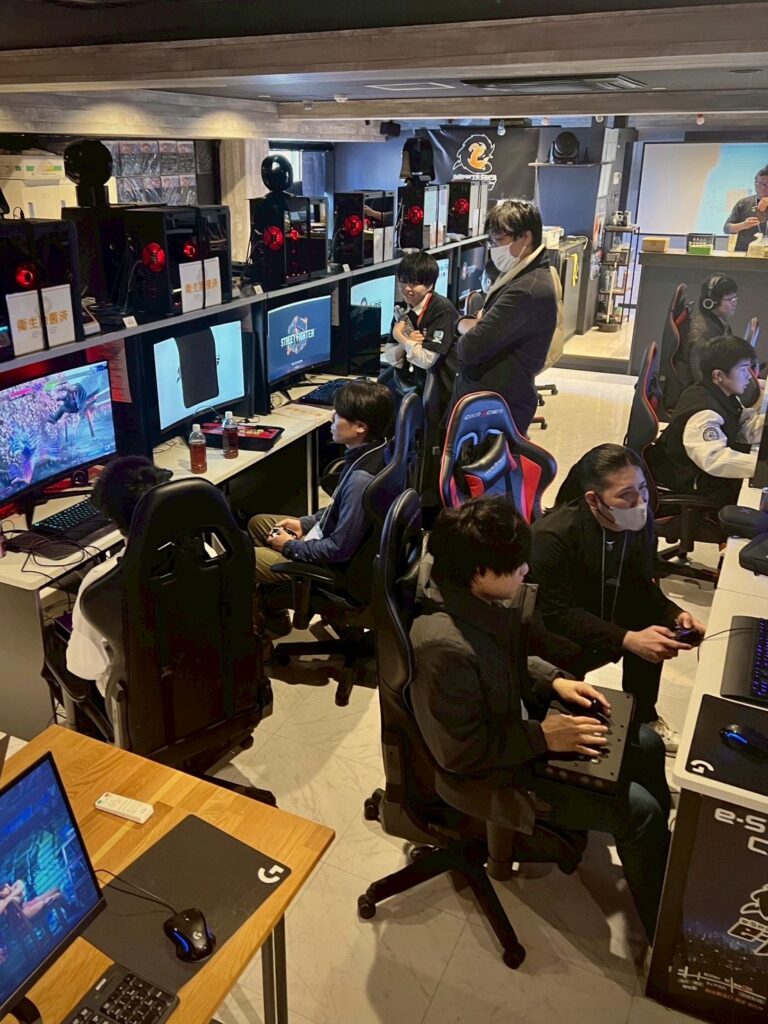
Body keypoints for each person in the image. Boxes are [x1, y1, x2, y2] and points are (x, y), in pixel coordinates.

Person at [409, 496, 671, 942]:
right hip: (493, 770)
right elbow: (461, 753)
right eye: (516, 567)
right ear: (480, 572)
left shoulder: (472, 598)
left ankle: (668, 871)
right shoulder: (443, 647)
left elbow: (500, 659)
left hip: (516, 724)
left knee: (646, 743)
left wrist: (554, 681)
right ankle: (669, 941)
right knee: (639, 812)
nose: (525, 571)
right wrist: (545, 738)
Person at [529, 444, 705, 751]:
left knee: (654, 623)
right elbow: (558, 613)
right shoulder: (551, 536)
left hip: (604, 607)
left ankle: (644, 716)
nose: (640, 502)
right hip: (558, 630)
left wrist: (674, 613)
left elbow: (641, 583)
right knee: (575, 668)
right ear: (593, 499)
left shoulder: (639, 520)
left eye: (642, 489)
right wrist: (627, 639)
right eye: (626, 495)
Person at [248, 380, 394, 633]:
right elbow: (342, 510)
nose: (331, 418)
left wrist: (289, 546)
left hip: (336, 571)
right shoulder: (379, 451)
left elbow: (338, 549)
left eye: (339, 415)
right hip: (346, 551)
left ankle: (263, 625)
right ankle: (274, 608)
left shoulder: (360, 480)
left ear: (360, 427)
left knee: (243, 559)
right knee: (258, 523)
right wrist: (305, 523)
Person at [450, 200, 560, 435]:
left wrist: (463, 326)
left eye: (498, 240)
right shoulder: (518, 275)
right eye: (490, 241)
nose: (493, 248)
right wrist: (468, 323)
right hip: (491, 399)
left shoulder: (526, 290)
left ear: (525, 237)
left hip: (496, 406)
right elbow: (479, 325)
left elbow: (469, 348)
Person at [66, 456, 170, 697]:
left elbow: (85, 668)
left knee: (55, 648)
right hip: (209, 692)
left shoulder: (101, 584)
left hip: (138, 704)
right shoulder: (205, 553)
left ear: (111, 516)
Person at [647, 335, 765, 509]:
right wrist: (761, 468)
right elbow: (714, 459)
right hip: (690, 481)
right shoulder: (704, 413)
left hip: (700, 472)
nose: (750, 376)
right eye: (743, 369)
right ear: (718, 376)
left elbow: (743, 427)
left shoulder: (720, 393)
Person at [380, 251, 459, 416]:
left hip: (440, 391)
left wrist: (400, 337)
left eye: (415, 283)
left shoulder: (441, 310)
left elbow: (426, 360)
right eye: (403, 281)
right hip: (411, 386)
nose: (407, 289)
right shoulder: (402, 309)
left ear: (430, 285)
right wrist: (407, 341)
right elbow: (390, 357)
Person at [681, 275, 738, 384]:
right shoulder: (703, 333)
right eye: (730, 299)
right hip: (699, 391)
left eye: (735, 297)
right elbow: (700, 376)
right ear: (712, 302)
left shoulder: (720, 323)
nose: (735, 302)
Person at [723, 166, 768, 252]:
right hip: (744, 253)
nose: (763, 187)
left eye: (767, 184)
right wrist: (743, 225)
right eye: (760, 183)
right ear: (755, 184)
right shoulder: (743, 203)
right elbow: (726, 228)